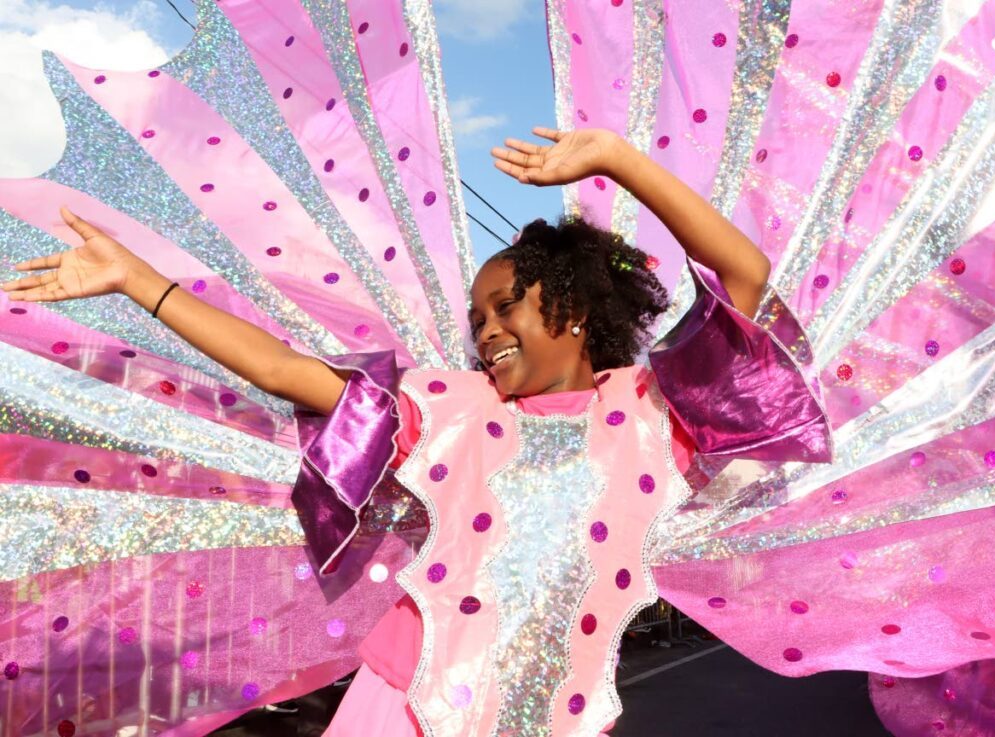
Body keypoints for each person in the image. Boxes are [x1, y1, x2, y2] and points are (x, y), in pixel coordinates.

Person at [2, 127, 828, 735]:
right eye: (477, 317)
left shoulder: (656, 416)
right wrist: (139, 280)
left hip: (561, 719)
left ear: (573, 311)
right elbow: (289, 372)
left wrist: (616, 159)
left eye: (507, 307)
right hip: (404, 698)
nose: (487, 330)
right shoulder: (457, 409)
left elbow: (746, 275)